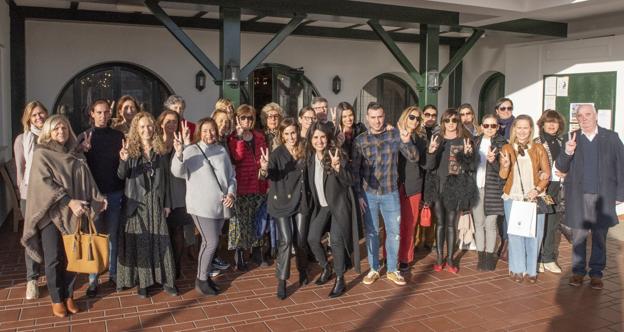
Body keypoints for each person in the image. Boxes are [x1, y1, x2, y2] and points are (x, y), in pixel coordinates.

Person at [21, 114, 106, 317]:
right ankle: (57, 299)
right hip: (51, 214)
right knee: (53, 259)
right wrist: (69, 201)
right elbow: (44, 184)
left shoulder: (75, 154)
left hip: (74, 216)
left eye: (64, 129)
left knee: (72, 256)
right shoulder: (42, 154)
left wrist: (98, 198)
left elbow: (86, 179)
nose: (61, 132)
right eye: (56, 129)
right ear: (49, 132)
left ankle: (69, 296)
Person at [556, 104, 624, 290]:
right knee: (578, 236)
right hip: (579, 196)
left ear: (595, 116)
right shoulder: (569, 138)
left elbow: (621, 165)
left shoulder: (611, 137)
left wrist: (620, 194)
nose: (584, 118)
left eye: (588, 114)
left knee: (600, 236)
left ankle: (596, 273)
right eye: (580, 116)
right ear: (576, 118)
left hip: (603, 196)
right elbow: (561, 167)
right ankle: (578, 272)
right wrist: (568, 151)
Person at [352, 102, 416, 286]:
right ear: (367, 118)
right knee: (371, 233)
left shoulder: (395, 135)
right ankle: (373, 269)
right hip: (368, 193)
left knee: (394, 232)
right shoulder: (360, 140)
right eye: (373, 117)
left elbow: (413, 157)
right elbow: (355, 171)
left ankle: (392, 269)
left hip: (390, 192)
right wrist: (358, 195)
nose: (377, 120)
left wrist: (406, 140)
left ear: (384, 115)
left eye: (380, 116)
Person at [171, 118, 237, 295]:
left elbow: (232, 176)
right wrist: (179, 152)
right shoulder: (192, 150)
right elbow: (177, 172)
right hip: (200, 206)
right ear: (199, 132)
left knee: (210, 243)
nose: (209, 134)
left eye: (212, 130)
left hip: (221, 205)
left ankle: (205, 276)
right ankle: (201, 280)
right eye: (205, 130)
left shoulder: (222, 150)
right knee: (211, 242)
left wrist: (231, 193)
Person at [116, 112, 178, 298]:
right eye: (142, 126)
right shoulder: (131, 150)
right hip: (137, 202)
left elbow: (166, 179)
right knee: (141, 242)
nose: (146, 130)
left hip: (156, 201)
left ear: (154, 128)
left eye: (149, 126)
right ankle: (143, 283)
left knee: (161, 240)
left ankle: (167, 280)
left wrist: (167, 203)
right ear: (136, 129)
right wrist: (124, 160)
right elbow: (121, 175)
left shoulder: (160, 151)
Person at [305, 121, 359, 298]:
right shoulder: (310, 158)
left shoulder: (336, 154)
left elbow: (350, 180)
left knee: (335, 240)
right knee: (312, 238)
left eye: (322, 137)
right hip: (321, 206)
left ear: (328, 138)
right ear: (310, 139)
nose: (319, 141)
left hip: (338, 206)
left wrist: (338, 168)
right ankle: (326, 268)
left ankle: (340, 279)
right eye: (315, 137)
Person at [77, 100, 125, 298]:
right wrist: (82, 151)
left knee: (113, 236)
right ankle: (93, 279)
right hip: (93, 195)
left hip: (115, 192)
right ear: (92, 113)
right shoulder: (85, 136)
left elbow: (124, 161)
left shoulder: (118, 135)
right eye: (99, 112)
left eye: (106, 113)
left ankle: (113, 273)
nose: (103, 116)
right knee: (93, 238)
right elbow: (75, 166)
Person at [259, 118, 310, 299]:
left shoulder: (305, 148)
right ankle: (282, 280)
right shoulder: (276, 153)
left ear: (298, 131)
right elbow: (268, 174)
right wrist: (264, 168)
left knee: (301, 240)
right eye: (286, 134)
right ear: (281, 135)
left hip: (301, 199)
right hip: (281, 201)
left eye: (293, 132)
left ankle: (303, 270)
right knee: (286, 240)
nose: (291, 137)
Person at [424, 109, 478, 274]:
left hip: (455, 187)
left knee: (451, 225)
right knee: (440, 224)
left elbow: (471, 167)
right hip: (439, 186)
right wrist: (432, 151)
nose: (451, 124)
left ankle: (450, 260)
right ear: (443, 122)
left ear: (458, 122)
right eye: (447, 120)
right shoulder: (437, 139)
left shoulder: (465, 139)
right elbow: (429, 166)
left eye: (454, 120)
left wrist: (468, 155)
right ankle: (440, 258)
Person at [499, 115, 550, 283]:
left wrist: (537, 189)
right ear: (514, 129)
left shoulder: (538, 149)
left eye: (525, 127)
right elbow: (503, 175)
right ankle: (516, 268)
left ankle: (531, 270)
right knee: (515, 234)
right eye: (518, 127)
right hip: (513, 197)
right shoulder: (507, 148)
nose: (522, 131)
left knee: (534, 234)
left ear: (530, 129)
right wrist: (505, 165)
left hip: (534, 198)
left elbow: (546, 174)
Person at [13, 101, 48, 300]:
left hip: (51, 194)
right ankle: (32, 279)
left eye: (41, 113)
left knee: (51, 236)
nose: (38, 118)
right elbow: (20, 171)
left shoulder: (52, 136)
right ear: (28, 118)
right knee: (31, 237)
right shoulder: (22, 140)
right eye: (34, 115)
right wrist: (24, 195)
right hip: (30, 195)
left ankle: (54, 274)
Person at [228, 104, 269, 270]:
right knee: (240, 223)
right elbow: (237, 157)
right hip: (241, 187)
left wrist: (265, 177)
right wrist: (238, 138)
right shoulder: (232, 137)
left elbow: (264, 160)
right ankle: (239, 256)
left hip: (258, 184)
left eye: (250, 118)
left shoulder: (259, 136)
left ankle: (257, 253)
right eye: (243, 117)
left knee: (258, 220)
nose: (247, 121)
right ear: (237, 119)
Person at [156, 110, 195, 279]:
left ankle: (177, 266)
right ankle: (165, 266)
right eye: (168, 121)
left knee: (178, 230)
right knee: (165, 231)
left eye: (174, 122)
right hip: (161, 190)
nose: (171, 125)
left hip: (178, 190)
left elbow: (188, 162)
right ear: (161, 123)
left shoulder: (182, 140)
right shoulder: (155, 141)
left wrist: (185, 144)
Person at [471, 114, 506, 271]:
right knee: (479, 224)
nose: (490, 129)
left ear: (497, 127)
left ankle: (490, 257)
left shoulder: (503, 143)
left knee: (490, 224)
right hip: (476, 187)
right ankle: (481, 257)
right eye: (486, 125)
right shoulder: (475, 141)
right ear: (481, 126)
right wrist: (466, 156)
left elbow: (505, 171)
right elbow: (468, 166)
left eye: (493, 126)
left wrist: (494, 162)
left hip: (494, 188)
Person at [396, 106, 427, 272]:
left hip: (413, 185)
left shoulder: (421, 139)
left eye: (417, 118)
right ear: (405, 117)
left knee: (409, 223)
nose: (414, 121)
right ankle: (390, 255)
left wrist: (407, 141)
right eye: (412, 117)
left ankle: (405, 258)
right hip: (394, 185)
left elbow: (416, 159)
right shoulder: (393, 134)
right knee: (393, 224)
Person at [534, 110, 566, 274]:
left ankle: (549, 258)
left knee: (553, 224)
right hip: (543, 189)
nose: (552, 125)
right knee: (541, 223)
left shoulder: (562, 142)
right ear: (542, 124)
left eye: (555, 122)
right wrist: (540, 174)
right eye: (549, 122)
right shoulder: (537, 142)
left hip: (557, 188)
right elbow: (532, 167)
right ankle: (538, 258)